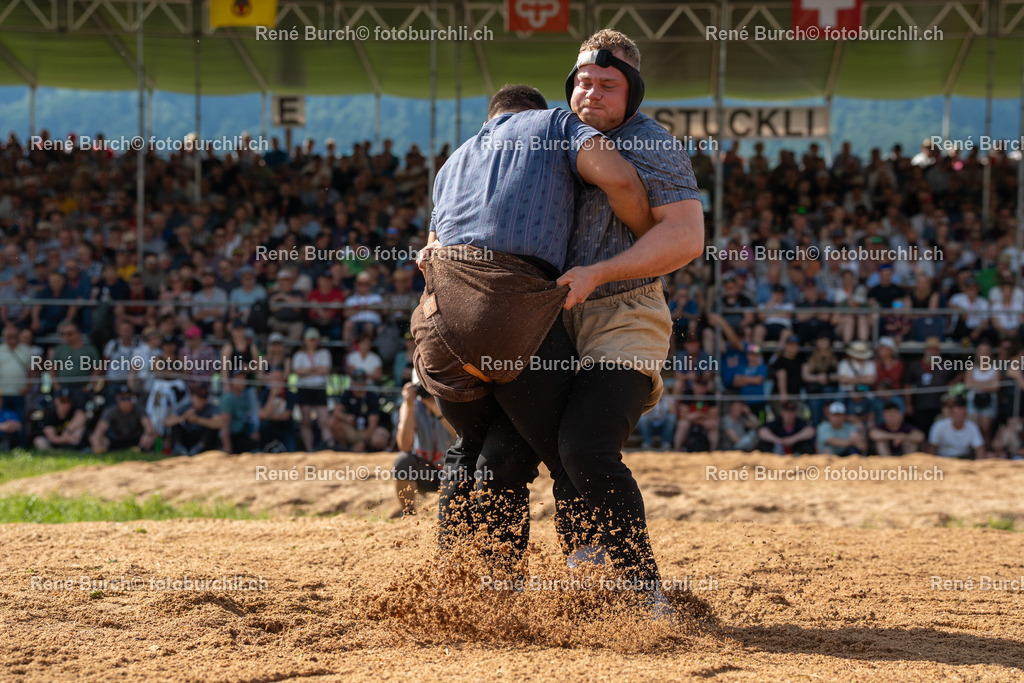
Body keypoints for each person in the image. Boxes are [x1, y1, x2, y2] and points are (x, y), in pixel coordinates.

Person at [393, 381, 456, 515]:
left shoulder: (452, 400)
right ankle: (408, 513)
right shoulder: (411, 405)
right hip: (427, 471)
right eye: (421, 386)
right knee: (403, 461)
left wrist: (438, 411)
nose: (426, 390)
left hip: (454, 470)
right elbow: (404, 446)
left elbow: (460, 436)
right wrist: (409, 406)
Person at [293, 327, 333, 451]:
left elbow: (325, 369)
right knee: (306, 422)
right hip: (305, 388)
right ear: (305, 340)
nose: (312, 342)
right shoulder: (299, 355)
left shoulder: (324, 353)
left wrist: (307, 371)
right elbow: (297, 371)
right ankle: (309, 450)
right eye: (310, 340)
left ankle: (329, 447)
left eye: (314, 340)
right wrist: (315, 369)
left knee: (324, 421)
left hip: (319, 388)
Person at [329, 371, 389, 451]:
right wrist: (346, 418)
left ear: (365, 382)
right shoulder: (348, 393)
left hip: (368, 431)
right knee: (333, 422)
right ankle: (344, 448)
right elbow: (336, 412)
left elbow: (373, 424)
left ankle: (370, 450)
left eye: (361, 381)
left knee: (379, 439)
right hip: (353, 430)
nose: (358, 384)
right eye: (356, 381)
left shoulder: (372, 397)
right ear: (352, 382)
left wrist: (363, 443)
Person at [89, 385, 157, 453]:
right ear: (117, 399)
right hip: (117, 440)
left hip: (136, 441)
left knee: (151, 434)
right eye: (122, 398)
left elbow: (148, 427)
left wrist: (147, 435)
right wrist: (97, 448)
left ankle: (144, 451)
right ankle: (102, 453)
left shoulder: (139, 409)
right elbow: (99, 431)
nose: (125, 402)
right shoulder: (111, 411)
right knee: (96, 437)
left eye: (128, 398)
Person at [163, 384, 221, 455]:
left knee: (212, 428)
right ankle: (179, 449)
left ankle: (198, 448)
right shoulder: (186, 407)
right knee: (175, 424)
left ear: (206, 400)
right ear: (192, 397)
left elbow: (219, 423)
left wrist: (198, 420)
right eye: (198, 398)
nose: (200, 401)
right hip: (187, 439)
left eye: (203, 399)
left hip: (203, 441)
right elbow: (166, 422)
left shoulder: (211, 408)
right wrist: (184, 417)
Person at [257, 366, 297, 452]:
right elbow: (261, 415)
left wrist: (268, 416)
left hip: (285, 429)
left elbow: (285, 416)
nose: (276, 381)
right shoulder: (264, 394)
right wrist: (272, 395)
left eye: (279, 378)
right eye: (274, 378)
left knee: (292, 450)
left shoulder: (290, 395)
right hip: (268, 429)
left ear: (283, 380)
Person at [220, 370, 259, 454]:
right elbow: (225, 426)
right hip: (232, 438)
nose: (242, 381)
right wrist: (227, 448)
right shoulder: (228, 398)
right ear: (231, 381)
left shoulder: (243, 399)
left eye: (243, 378)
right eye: (238, 378)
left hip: (241, 435)